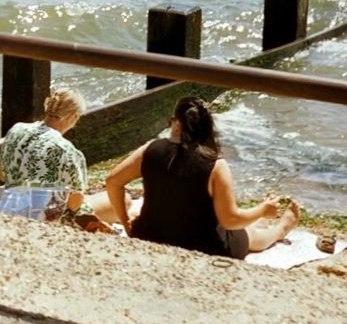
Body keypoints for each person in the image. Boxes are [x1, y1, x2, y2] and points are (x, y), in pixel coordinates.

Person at [105, 95, 300, 258]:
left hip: (149, 235)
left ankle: (260, 214)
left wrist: (125, 221)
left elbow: (113, 181)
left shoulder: (149, 150)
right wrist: (262, 211)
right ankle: (279, 229)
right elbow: (230, 220)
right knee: (247, 232)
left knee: (233, 220)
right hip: (203, 247)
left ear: (175, 122)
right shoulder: (215, 164)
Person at [0, 87, 128, 232]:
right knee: (125, 200)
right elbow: (75, 204)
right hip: (46, 218)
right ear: (73, 116)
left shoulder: (16, 130)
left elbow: (3, 174)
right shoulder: (66, 150)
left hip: (10, 207)